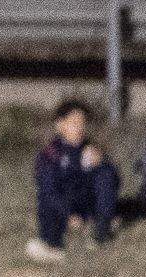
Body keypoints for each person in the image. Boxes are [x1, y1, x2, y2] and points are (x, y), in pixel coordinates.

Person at [29, 99, 118, 262]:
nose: (79, 128)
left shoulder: (90, 149)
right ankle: (51, 244)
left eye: (82, 123)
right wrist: (68, 214)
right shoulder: (50, 154)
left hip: (85, 202)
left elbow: (114, 182)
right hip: (63, 205)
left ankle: (102, 229)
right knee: (48, 203)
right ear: (60, 125)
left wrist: (102, 162)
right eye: (74, 123)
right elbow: (48, 192)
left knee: (105, 173)